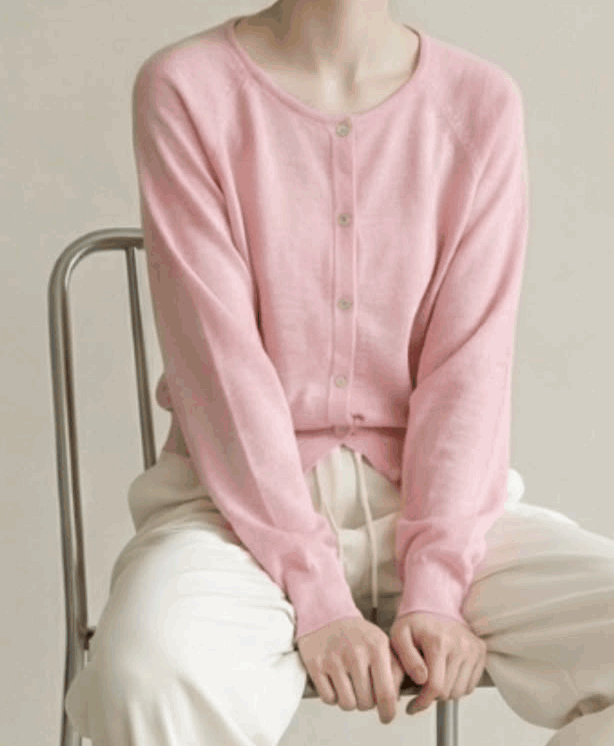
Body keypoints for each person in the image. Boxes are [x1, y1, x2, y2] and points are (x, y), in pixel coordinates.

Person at [64, 1, 614, 744]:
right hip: (237, 511)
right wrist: (317, 596)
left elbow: (469, 375)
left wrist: (437, 586)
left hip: (447, 510)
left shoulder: (479, 103)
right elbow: (221, 375)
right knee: (142, 675)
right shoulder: (186, 87)